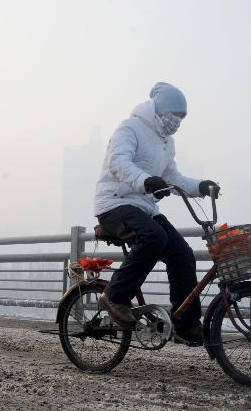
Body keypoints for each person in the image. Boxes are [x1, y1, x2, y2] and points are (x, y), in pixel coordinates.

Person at [93, 82, 219, 344]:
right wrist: (146, 181)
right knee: (153, 238)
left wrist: (200, 186)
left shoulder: (166, 142)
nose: (178, 121)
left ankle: (185, 323)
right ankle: (115, 296)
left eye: (182, 117)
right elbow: (118, 163)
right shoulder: (130, 128)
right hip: (114, 203)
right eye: (175, 114)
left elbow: (172, 176)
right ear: (160, 109)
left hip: (144, 208)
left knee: (182, 254)